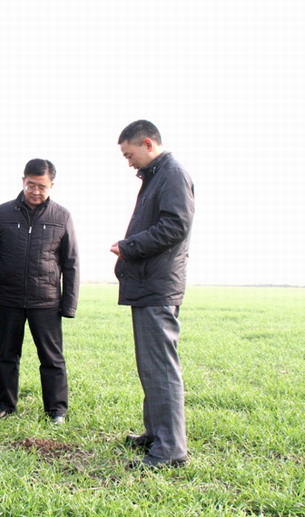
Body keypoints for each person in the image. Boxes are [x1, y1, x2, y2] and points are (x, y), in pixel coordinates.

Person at [111, 120, 195, 468]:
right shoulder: (156, 176)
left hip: (158, 287)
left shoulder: (172, 174)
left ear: (147, 143)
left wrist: (128, 247)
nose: (128, 161)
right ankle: (156, 434)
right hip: (149, 285)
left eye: (129, 154)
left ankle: (170, 449)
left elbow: (175, 226)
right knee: (150, 366)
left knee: (161, 369)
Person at [0, 159, 79, 424]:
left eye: (42, 186)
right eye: (31, 185)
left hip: (46, 301)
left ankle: (56, 411)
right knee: (7, 355)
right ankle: (5, 406)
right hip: (8, 297)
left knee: (52, 358)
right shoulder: (3, 212)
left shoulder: (62, 216)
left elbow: (71, 262)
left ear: (51, 185)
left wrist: (69, 305)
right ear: (23, 181)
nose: (35, 191)